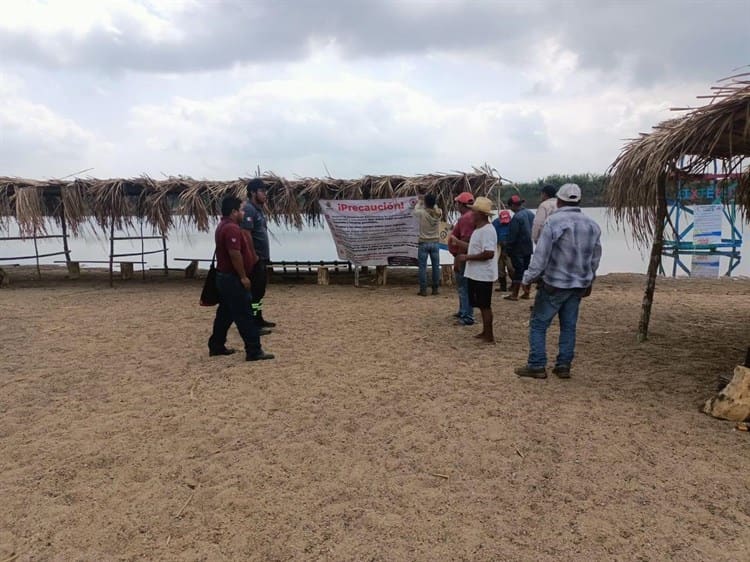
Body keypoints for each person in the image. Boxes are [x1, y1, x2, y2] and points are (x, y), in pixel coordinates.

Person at [514, 183, 601, 379]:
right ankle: (563, 365)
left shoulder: (553, 222)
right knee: (568, 326)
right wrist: (590, 280)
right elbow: (595, 258)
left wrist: (527, 279)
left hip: (554, 283)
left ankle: (536, 365)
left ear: (558, 201)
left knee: (538, 324)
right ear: (579, 201)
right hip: (578, 285)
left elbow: (541, 256)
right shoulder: (592, 225)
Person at [208, 195, 274, 362]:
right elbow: (235, 254)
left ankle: (216, 345)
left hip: (225, 277)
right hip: (232, 278)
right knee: (244, 314)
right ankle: (254, 350)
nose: (243, 213)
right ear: (233, 212)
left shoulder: (223, 226)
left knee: (225, 314)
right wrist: (243, 276)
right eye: (241, 210)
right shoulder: (231, 229)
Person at [455, 197, 498, 343]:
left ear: (480, 214)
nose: (471, 214)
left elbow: (489, 253)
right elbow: (475, 248)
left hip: (483, 275)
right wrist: (459, 245)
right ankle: (486, 332)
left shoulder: (487, 230)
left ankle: (489, 334)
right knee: (481, 304)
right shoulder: (479, 230)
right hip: (477, 274)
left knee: (485, 305)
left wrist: (467, 258)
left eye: (474, 212)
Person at [242, 178, 276, 329]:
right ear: (252, 193)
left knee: (260, 291)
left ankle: (258, 318)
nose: (265, 194)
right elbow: (246, 233)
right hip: (254, 259)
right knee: (255, 291)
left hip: (262, 258)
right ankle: (252, 321)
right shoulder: (248, 209)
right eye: (262, 191)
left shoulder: (258, 210)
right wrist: (253, 255)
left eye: (265, 191)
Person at [447, 192, 476, 325]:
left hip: (463, 256)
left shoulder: (465, 218)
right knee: (464, 286)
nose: (456, 206)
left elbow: (465, 239)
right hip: (465, 256)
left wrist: (458, 258)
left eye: (457, 203)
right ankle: (463, 310)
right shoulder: (470, 217)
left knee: (464, 286)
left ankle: (467, 315)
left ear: (461, 204)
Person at [504, 194, 534, 301]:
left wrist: (508, 249)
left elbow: (513, 236)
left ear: (512, 205)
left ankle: (514, 294)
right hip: (528, 246)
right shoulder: (530, 214)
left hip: (518, 248)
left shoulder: (516, 218)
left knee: (518, 271)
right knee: (526, 270)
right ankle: (526, 292)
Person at [413, 193, 443, 296]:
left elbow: (414, 210)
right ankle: (435, 289)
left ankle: (423, 290)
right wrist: (431, 203)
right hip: (435, 243)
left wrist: (420, 201)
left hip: (423, 243)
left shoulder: (421, 213)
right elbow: (435, 207)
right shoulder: (438, 213)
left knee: (422, 267)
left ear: (426, 203)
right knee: (436, 266)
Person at [491, 209, 514, 292]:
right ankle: (503, 286)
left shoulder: (513, 223)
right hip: (498, 246)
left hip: (510, 247)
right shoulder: (495, 223)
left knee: (510, 267)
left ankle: (514, 284)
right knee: (499, 267)